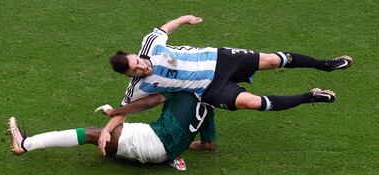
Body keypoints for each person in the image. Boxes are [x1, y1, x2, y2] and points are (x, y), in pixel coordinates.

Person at [109, 15, 351, 112]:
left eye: (138, 61)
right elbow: (124, 110)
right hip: (209, 89)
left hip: (219, 59)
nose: (142, 66)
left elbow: (164, 29)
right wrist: (109, 125)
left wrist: (185, 18)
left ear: (136, 54)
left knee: (273, 60)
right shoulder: (139, 87)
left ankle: (325, 65)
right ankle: (310, 97)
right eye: (136, 69)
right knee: (253, 103)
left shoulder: (150, 44)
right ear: (129, 75)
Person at [8, 92, 216, 171]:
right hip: (164, 155)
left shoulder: (183, 90)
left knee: (92, 134)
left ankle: (25, 144)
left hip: (150, 141)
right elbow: (209, 146)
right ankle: (116, 148)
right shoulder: (209, 110)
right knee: (112, 142)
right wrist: (182, 144)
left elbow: (149, 101)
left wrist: (115, 113)